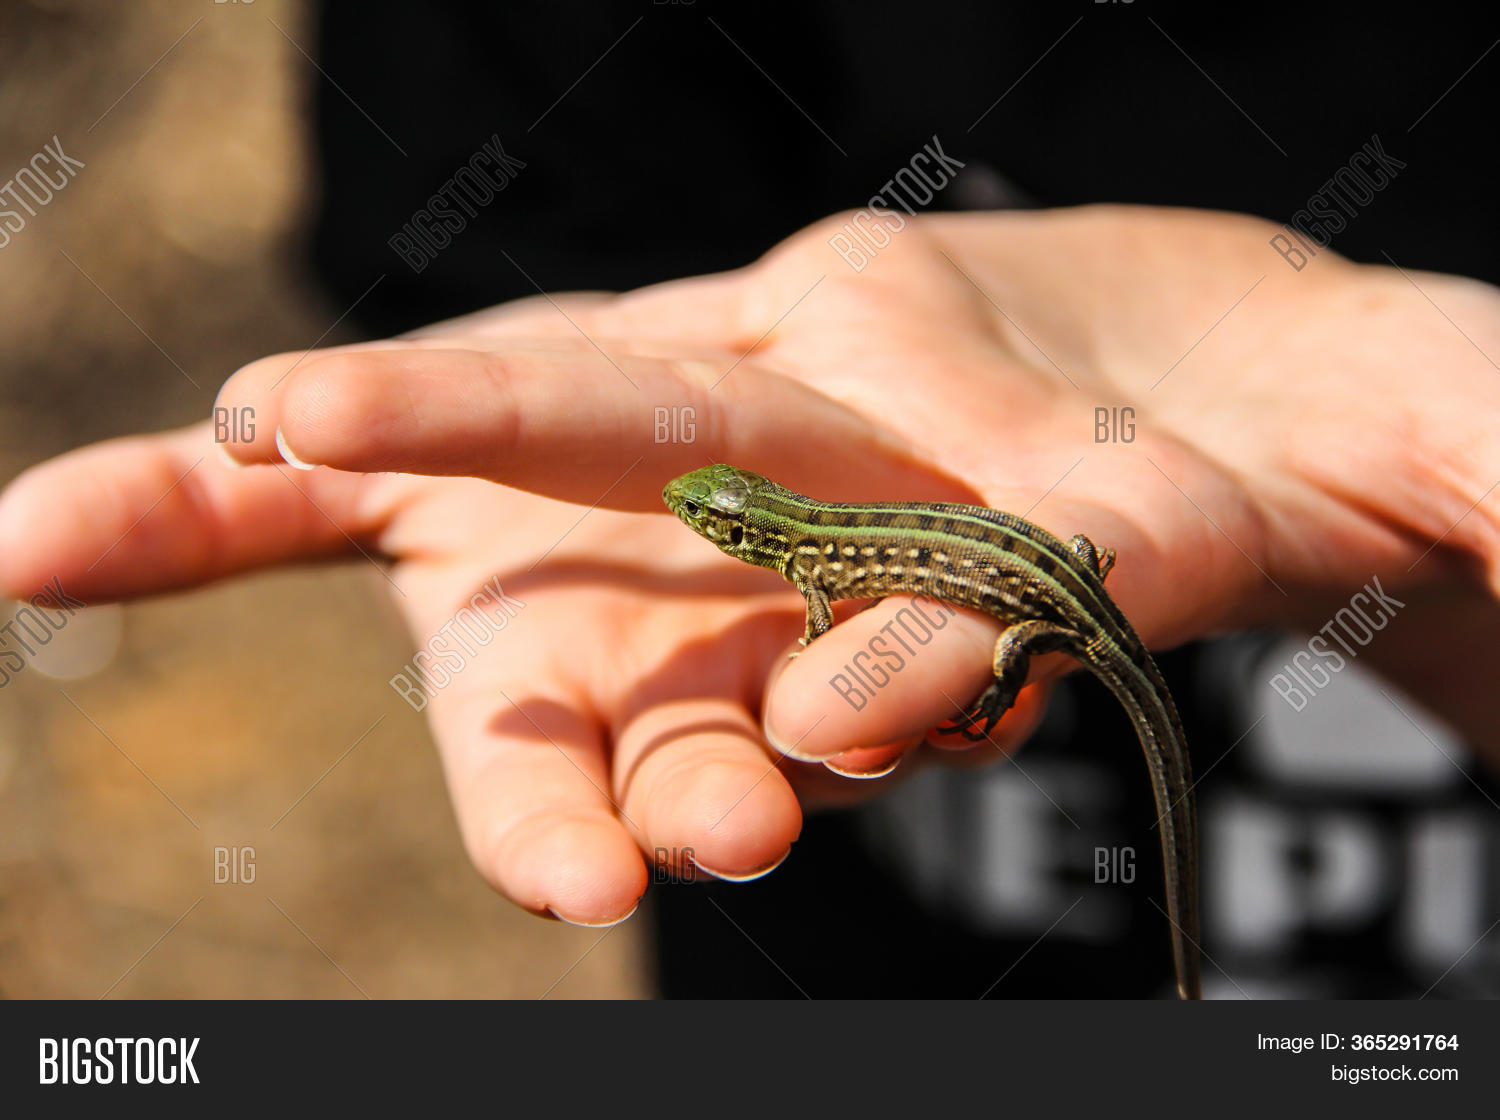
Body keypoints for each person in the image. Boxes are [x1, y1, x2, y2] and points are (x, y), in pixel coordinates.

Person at [3, 4, 1497, 996]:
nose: (704, 522)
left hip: (1081, 636)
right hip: (872, 951)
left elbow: (846, 596)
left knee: (976, 674)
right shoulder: (801, 528)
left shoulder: (821, 568)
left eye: (717, 522)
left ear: (747, 537)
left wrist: (1425, 563)